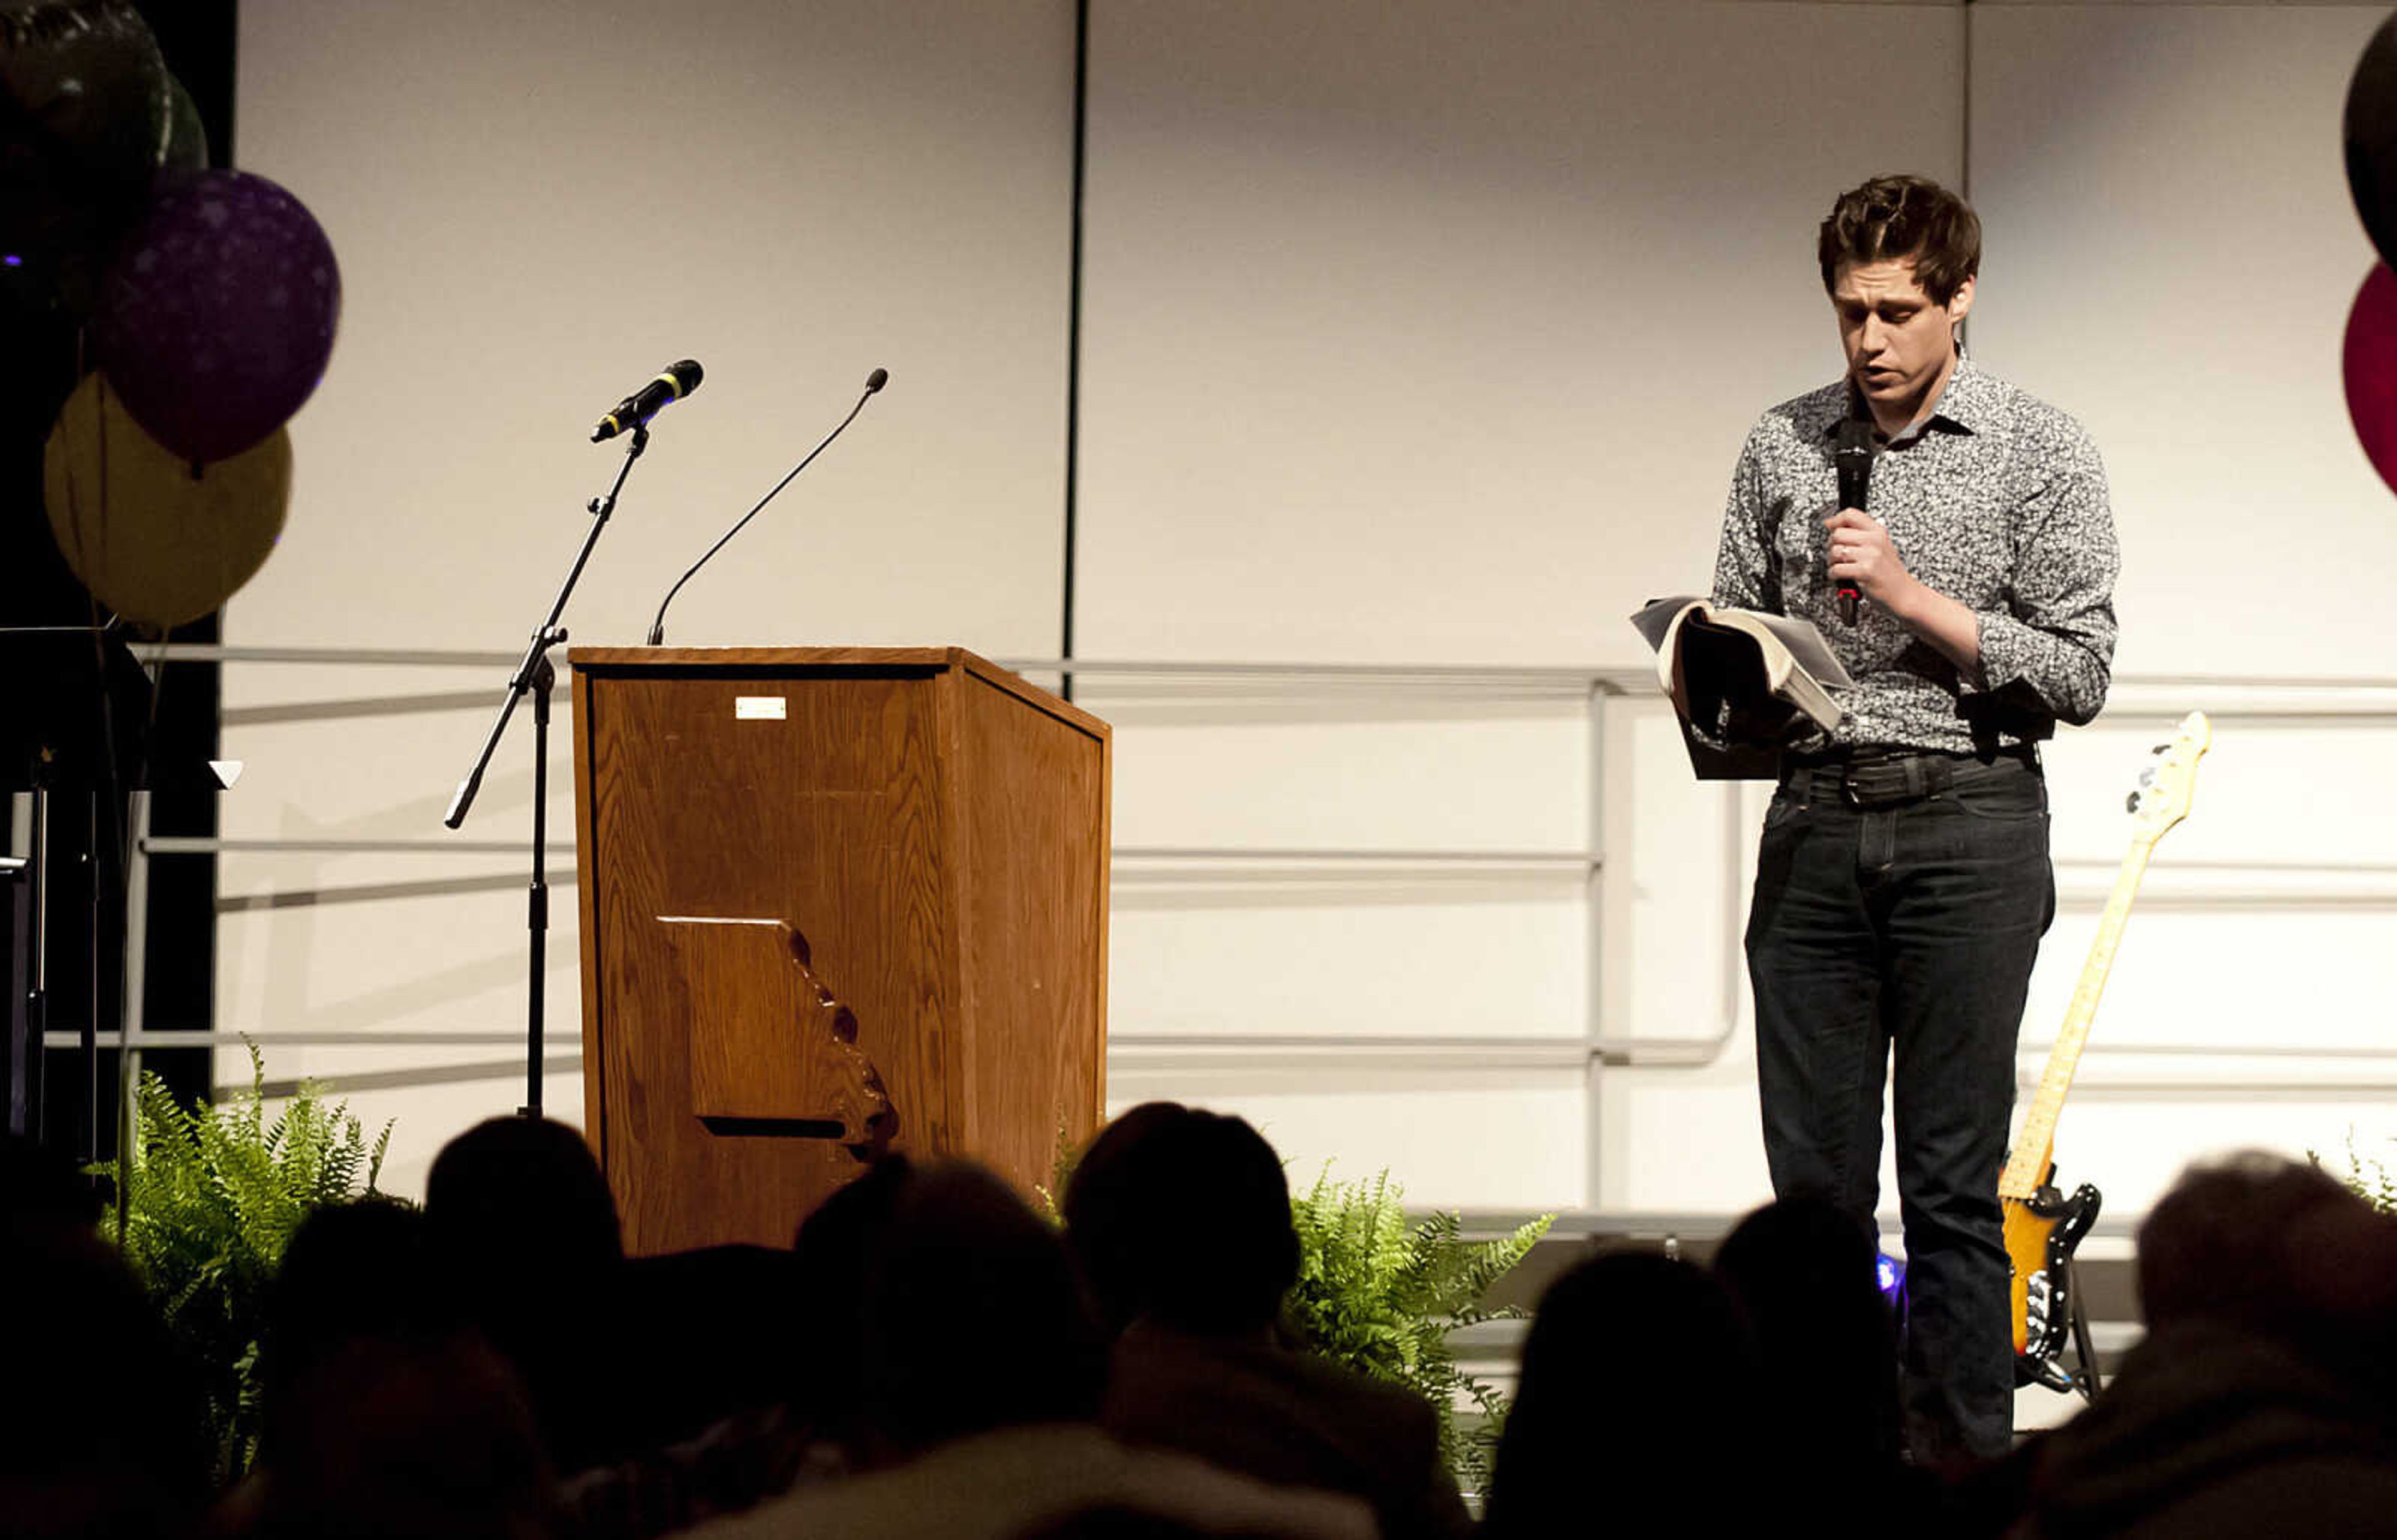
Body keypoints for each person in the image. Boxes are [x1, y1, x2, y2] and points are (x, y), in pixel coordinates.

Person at [1712, 173, 2120, 1464]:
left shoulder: (2039, 448)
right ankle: (1816, 1475)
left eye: (1896, 312)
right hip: (1817, 817)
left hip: (1972, 822)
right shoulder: (1784, 442)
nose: (1871, 342)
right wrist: (1717, 675)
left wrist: (1909, 591)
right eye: (1850, 315)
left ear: (1961, 301)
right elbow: (1738, 619)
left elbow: (2079, 672)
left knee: (1951, 1190)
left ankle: (1958, 1483)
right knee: (1815, 1206)